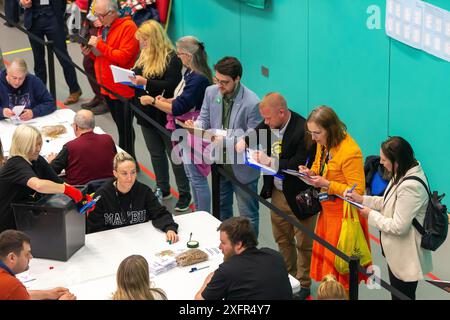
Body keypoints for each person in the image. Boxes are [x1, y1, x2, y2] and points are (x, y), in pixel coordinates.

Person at [236, 92, 317, 299]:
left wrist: (269, 161)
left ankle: (304, 282)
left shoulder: (303, 130)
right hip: (279, 193)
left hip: (302, 194)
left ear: (282, 113)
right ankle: (289, 277)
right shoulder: (270, 123)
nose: (265, 122)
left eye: (269, 118)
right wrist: (244, 141)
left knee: (304, 243)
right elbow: (258, 130)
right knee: (282, 238)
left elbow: (298, 165)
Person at [346, 136, 433, 300]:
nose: (381, 163)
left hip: (405, 256)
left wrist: (370, 215)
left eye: (385, 159)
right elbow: (388, 202)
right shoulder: (402, 172)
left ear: (397, 160)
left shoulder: (411, 186)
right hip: (396, 252)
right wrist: (362, 199)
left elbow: (399, 227)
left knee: (402, 295)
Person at [185, 57, 262, 235]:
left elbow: (252, 138)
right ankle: (225, 246)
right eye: (217, 80)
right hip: (220, 164)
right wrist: (195, 126)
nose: (220, 85)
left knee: (248, 216)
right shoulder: (211, 92)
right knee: (222, 210)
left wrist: (223, 141)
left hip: (242, 169)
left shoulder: (252, 103)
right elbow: (204, 118)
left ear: (237, 79)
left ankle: (250, 255)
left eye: (225, 82)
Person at [298, 105, 370, 290]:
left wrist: (327, 184)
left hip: (344, 219)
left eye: (317, 133)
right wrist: (310, 173)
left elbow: (358, 192)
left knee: (342, 276)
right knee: (329, 274)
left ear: (330, 129)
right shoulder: (325, 143)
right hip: (327, 214)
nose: (313, 138)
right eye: (310, 132)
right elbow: (319, 165)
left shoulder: (350, 152)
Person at [139, 35, 212, 212]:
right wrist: (168, 99)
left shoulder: (198, 78)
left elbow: (178, 108)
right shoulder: (190, 73)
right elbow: (181, 98)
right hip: (184, 129)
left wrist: (154, 102)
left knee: (197, 177)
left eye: (179, 54)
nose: (178, 57)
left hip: (192, 131)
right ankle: (199, 211)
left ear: (188, 55)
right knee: (190, 173)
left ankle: (204, 214)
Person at [130, 20, 192, 212]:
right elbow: (137, 77)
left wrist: (145, 81)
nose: (142, 44)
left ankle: (184, 193)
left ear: (154, 38)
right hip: (146, 113)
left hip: (165, 114)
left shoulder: (172, 58)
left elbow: (171, 85)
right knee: (155, 154)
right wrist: (132, 79)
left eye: (145, 40)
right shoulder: (143, 54)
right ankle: (163, 187)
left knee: (174, 156)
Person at [0, 125, 84, 232]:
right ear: (24, 145)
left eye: (40, 144)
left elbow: (59, 182)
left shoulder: (37, 160)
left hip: (24, 218)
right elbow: (39, 185)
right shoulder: (15, 164)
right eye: (34, 145)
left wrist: (82, 198)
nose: (38, 149)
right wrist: (68, 190)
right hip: (7, 224)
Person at [83, 0, 140, 154]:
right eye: (97, 15)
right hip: (107, 86)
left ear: (112, 13)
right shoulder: (105, 26)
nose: (98, 20)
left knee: (125, 129)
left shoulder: (129, 28)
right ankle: (126, 159)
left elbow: (123, 57)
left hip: (123, 88)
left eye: (101, 16)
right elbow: (104, 56)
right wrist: (92, 54)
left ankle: (127, 160)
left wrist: (99, 45)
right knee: (120, 127)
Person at [86, 152, 179, 242]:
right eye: (124, 173)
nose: (130, 178)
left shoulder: (144, 191)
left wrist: (169, 228)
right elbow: (94, 227)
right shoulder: (102, 195)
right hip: (113, 243)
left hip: (141, 240)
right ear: (115, 173)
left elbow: (160, 213)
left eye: (133, 172)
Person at [195, 217, 293, 300]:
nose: (220, 247)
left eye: (223, 243)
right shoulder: (275, 256)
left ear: (238, 244)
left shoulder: (227, 271)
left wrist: (209, 279)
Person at [19, 0, 82, 105]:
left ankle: (75, 89)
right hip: (33, 20)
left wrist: (59, 15)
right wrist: (22, 2)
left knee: (63, 57)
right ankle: (40, 93)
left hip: (53, 18)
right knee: (38, 60)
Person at [0, 229, 76, 300]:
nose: (31, 257)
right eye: (27, 254)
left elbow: (17, 294)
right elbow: (14, 291)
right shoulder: (11, 286)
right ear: (12, 257)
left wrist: (48, 293)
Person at [47, 109, 117, 185]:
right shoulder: (107, 139)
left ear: (76, 126)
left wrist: (51, 161)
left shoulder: (70, 146)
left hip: (81, 190)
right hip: (108, 185)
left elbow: (52, 171)